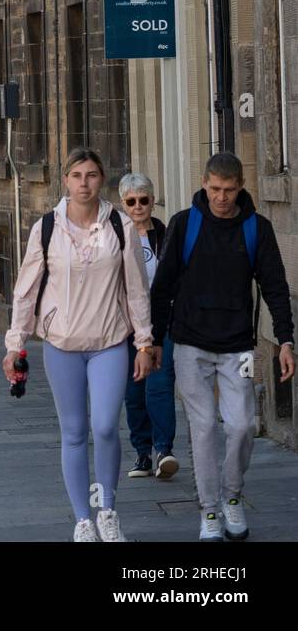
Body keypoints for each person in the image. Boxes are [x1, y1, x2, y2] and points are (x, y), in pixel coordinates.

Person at [4, 148, 156, 542]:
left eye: (91, 175)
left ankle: (107, 512)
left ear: (101, 180)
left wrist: (144, 342)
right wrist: (15, 343)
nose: (84, 183)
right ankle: (82, 520)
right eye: (76, 175)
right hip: (62, 345)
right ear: (66, 180)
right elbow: (26, 290)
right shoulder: (47, 228)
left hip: (108, 342)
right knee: (73, 432)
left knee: (105, 426)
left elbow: (137, 289)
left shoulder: (120, 226)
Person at [149, 152, 295, 541]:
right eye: (214, 189)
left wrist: (285, 340)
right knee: (203, 428)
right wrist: (154, 341)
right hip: (189, 343)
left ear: (241, 187)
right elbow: (161, 288)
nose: (221, 197)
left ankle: (232, 497)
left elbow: (276, 287)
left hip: (238, 348)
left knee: (243, 425)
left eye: (229, 190)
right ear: (204, 183)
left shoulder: (256, 229)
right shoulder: (184, 224)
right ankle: (209, 510)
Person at [118, 173, 178, 481]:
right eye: (131, 201)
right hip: (127, 328)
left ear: (153, 202)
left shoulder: (166, 236)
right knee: (134, 391)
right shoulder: (113, 239)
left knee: (160, 385)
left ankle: (163, 450)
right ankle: (142, 453)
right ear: (123, 204)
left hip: (160, 324)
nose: (138, 206)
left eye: (144, 200)